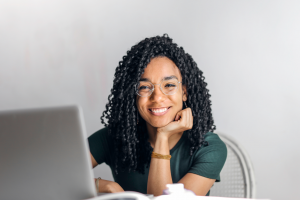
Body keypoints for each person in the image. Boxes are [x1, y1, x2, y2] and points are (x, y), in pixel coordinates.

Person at [88, 34, 227, 196]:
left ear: (184, 92)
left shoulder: (208, 148)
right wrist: (105, 186)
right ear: (132, 95)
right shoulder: (114, 137)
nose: (158, 97)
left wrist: (163, 136)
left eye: (169, 85)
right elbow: (55, 175)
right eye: (144, 87)